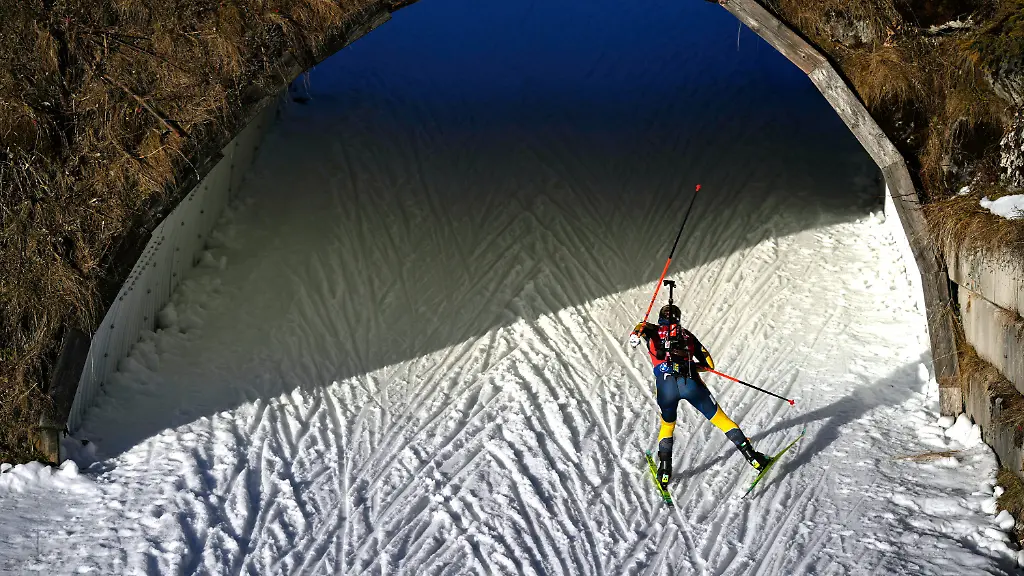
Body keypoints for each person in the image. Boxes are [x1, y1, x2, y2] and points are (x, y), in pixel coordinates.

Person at [634, 303, 770, 489]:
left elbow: (640, 327)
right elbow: (709, 364)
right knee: (722, 420)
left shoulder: (653, 331)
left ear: (660, 317)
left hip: (666, 388)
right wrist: (691, 366)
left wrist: (636, 334)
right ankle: (754, 459)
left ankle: (665, 471)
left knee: (667, 425)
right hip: (691, 384)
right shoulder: (687, 335)